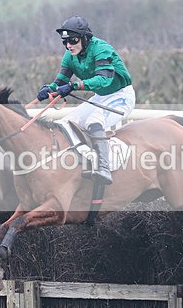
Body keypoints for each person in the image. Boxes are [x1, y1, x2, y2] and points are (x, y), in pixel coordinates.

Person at [36, 15, 135, 184]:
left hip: (121, 96)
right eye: (65, 41)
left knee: (94, 121)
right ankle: (80, 162)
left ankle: (103, 168)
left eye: (73, 40)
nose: (68, 46)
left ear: (85, 38)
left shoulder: (101, 49)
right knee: (68, 121)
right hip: (101, 97)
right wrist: (49, 89)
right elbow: (60, 82)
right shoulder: (69, 55)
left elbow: (104, 80)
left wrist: (74, 86)